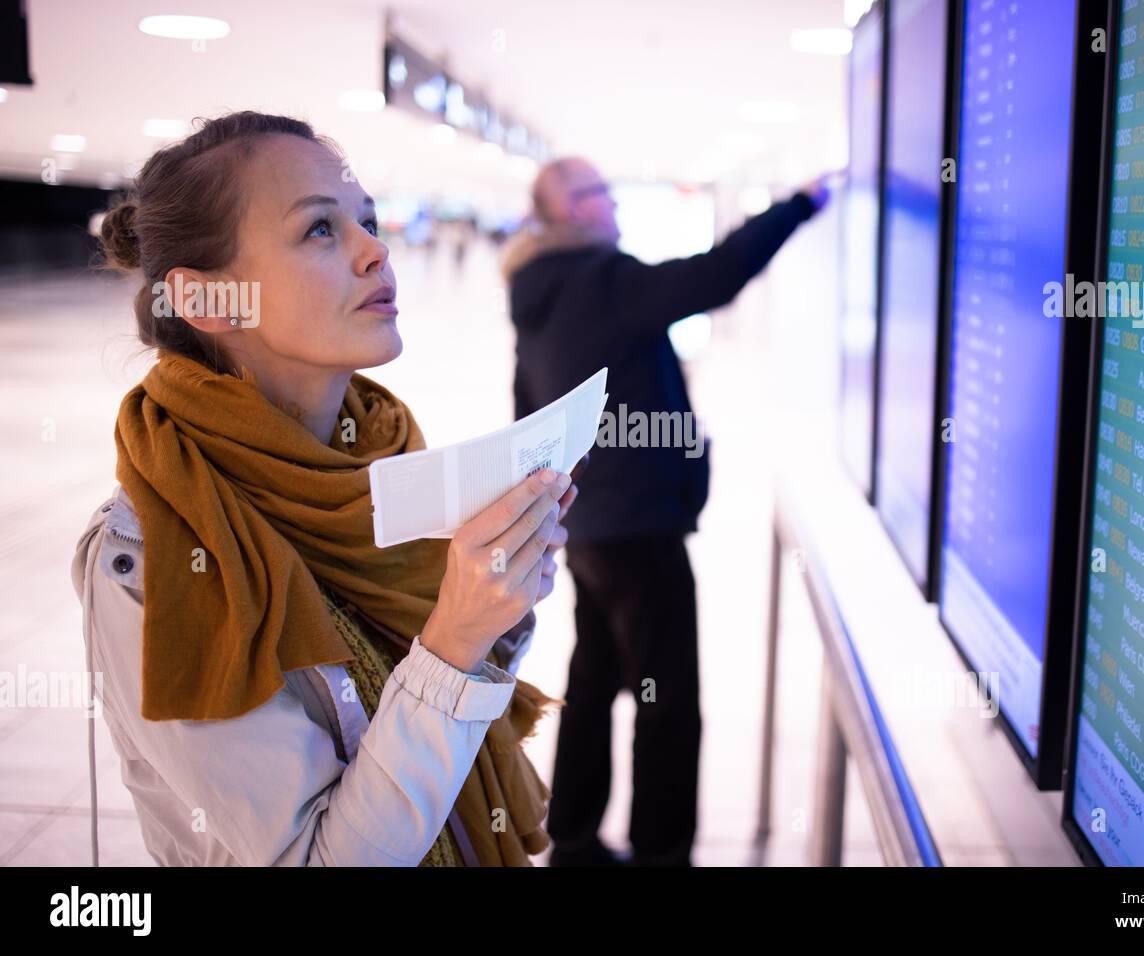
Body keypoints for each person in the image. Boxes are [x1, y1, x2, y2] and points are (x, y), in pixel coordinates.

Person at [71, 110, 578, 867]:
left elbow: (447, 680)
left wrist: (501, 604)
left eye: (367, 222)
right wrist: (456, 641)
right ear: (210, 302)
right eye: (320, 230)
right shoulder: (154, 556)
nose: (377, 251)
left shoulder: (380, 462)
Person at [501, 156, 829, 865]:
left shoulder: (538, 294)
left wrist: (552, 510)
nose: (609, 201)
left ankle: (575, 835)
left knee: (594, 678)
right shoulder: (602, 279)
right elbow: (717, 274)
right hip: (639, 530)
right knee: (667, 697)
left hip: (589, 525)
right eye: (594, 192)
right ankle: (662, 851)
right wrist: (799, 203)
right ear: (565, 213)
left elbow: (526, 405)